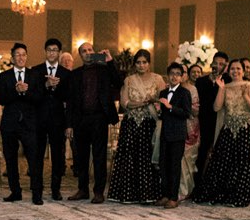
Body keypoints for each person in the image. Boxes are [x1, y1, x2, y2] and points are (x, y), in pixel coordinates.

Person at [193, 59, 250, 207]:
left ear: (244, 70)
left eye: (238, 69)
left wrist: (246, 96)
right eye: (232, 69)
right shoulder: (225, 87)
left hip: (246, 129)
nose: (235, 71)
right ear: (229, 71)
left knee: (243, 164)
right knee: (222, 162)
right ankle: (221, 193)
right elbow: (216, 108)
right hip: (228, 129)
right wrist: (221, 89)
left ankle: (240, 195)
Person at [65, 43, 122, 203]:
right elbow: (70, 101)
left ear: (94, 52)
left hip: (99, 118)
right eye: (84, 51)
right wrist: (69, 124)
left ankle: (98, 191)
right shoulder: (75, 74)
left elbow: (119, 83)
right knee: (81, 157)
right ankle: (82, 189)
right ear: (80, 55)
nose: (88, 53)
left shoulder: (104, 70)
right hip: (80, 119)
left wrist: (110, 61)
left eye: (90, 50)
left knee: (99, 156)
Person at [107, 49, 165, 203]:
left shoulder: (158, 79)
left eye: (144, 62)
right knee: (129, 157)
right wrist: (143, 102)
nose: (141, 65)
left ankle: (148, 195)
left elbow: (164, 101)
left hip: (149, 124)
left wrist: (154, 103)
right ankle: (127, 194)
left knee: (147, 157)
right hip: (131, 124)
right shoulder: (129, 80)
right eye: (138, 62)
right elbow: (125, 104)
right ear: (134, 64)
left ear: (149, 63)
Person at [0, 42, 44, 204]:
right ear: (12, 58)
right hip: (10, 123)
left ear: (26, 56)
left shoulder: (35, 75)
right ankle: (15, 191)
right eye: (17, 55)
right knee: (10, 159)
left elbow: (39, 98)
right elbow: (1, 99)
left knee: (34, 159)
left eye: (23, 54)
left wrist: (26, 92)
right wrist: (15, 91)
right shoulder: (4, 76)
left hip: (30, 123)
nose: (21, 57)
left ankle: (37, 194)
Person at [35, 38, 70, 200]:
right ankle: (38, 190)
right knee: (37, 156)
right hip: (39, 120)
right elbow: (32, 96)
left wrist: (69, 124)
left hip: (58, 120)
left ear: (59, 53)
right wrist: (46, 86)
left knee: (58, 156)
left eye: (55, 50)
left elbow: (70, 101)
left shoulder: (66, 74)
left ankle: (56, 189)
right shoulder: (36, 71)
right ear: (45, 51)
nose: (51, 53)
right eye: (49, 50)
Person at [156, 63, 192, 208]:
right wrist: (159, 110)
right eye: (172, 73)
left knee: (174, 166)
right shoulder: (163, 93)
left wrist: (170, 107)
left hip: (177, 134)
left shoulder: (184, 93)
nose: (174, 76)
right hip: (165, 133)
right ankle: (165, 195)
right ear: (167, 75)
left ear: (182, 76)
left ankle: (173, 197)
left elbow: (186, 113)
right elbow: (162, 115)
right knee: (163, 165)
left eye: (178, 73)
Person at [194, 51, 229, 189]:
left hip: (221, 120)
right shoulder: (201, 81)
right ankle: (198, 185)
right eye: (215, 63)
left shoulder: (228, 81)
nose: (217, 66)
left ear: (225, 66)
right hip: (204, 120)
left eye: (221, 64)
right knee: (202, 151)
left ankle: (216, 185)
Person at [178, 64, 201, 201]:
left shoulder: (192, 89)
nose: (180, 75)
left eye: (183, 72)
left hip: (190, 127)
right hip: (175, 126)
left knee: (187, 160)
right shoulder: (169, 89)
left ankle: (186, 190)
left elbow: (196, 110)